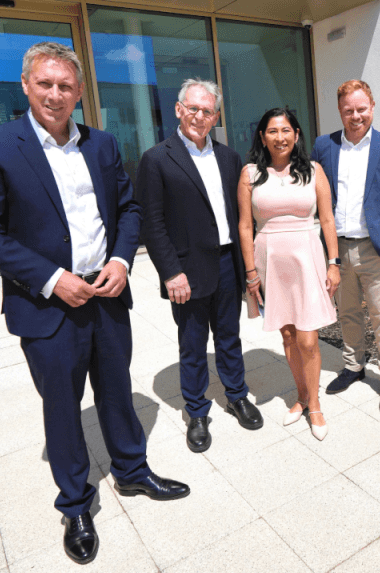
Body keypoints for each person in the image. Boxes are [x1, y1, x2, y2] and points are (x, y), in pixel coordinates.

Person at [0, 42, 189, 565]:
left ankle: (132, 472)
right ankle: (76, 506)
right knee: (62, 407)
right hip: (47, 305)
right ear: (26, 85)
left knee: (117, 391)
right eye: (45, 84)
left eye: (65, 86)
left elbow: (128, 210)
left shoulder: (101, 144)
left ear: (80, 91)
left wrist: (122, 260)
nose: (55, 95)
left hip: (107, 295)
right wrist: (51, 278)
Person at [136, 79, 262, 454]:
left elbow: (240, 216)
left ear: (216, 116)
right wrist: (170, 273)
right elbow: (152, 223)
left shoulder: (229, 158)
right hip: (186, 270)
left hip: (227, 263)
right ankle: (197, 411)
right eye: (193, 108)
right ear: (179, 110)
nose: (199, 116)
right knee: (192, 345)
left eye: (207, 111)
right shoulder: (157, 159)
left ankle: (236, 395)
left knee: (229, 337)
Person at [311, 80, 380, 416]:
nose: (355, 116)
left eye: (361, 109)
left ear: (372, 107)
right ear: (339, 111)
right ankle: (353, 365)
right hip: (337, 248)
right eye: (348, 110)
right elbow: (313, 193)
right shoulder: (323, 146)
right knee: (347, 313)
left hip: (375, 247)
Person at [238, 108, 340, 441]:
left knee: (308, 339)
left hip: (307, 258)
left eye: (285, 130)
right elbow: (245, 226)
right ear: (262, 136)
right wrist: (250, 273)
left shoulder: (314, 170)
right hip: (269, 262)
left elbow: (327, 219)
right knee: (287, 336)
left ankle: (316, 406)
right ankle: (302, 395)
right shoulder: (250, 174)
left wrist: (334, 262)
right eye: (272, 131)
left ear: (296, 135)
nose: (279, 137)